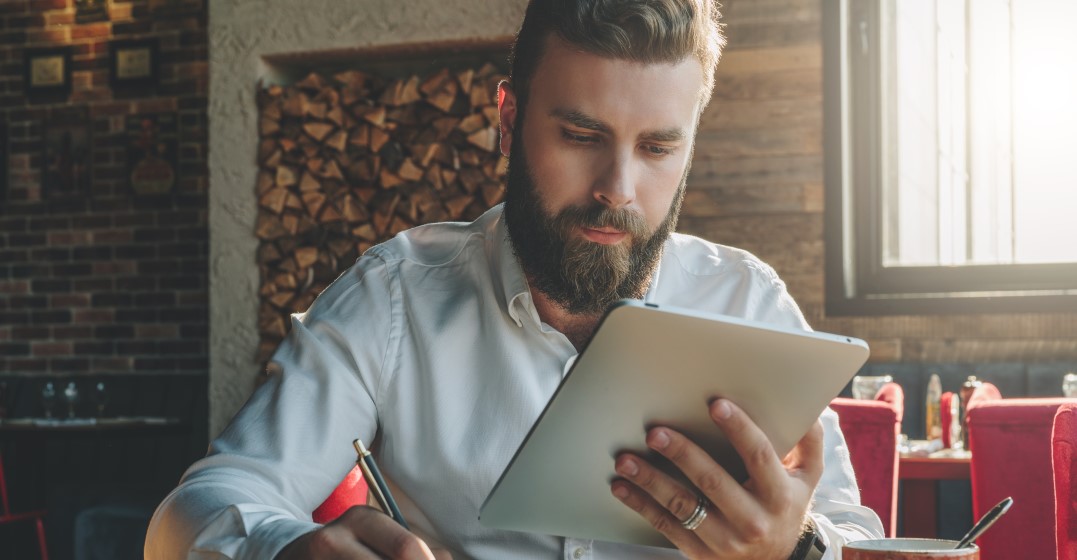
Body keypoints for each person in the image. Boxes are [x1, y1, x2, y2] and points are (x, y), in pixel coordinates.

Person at [145, 0, 884, 558]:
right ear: (507, 118)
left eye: (658, 146)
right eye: (581, 136)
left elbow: (858, 537)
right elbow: (199, 508)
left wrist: (798, 547)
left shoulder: (748, 303)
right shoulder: (393, 296)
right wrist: (282, 551)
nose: (617, 189)